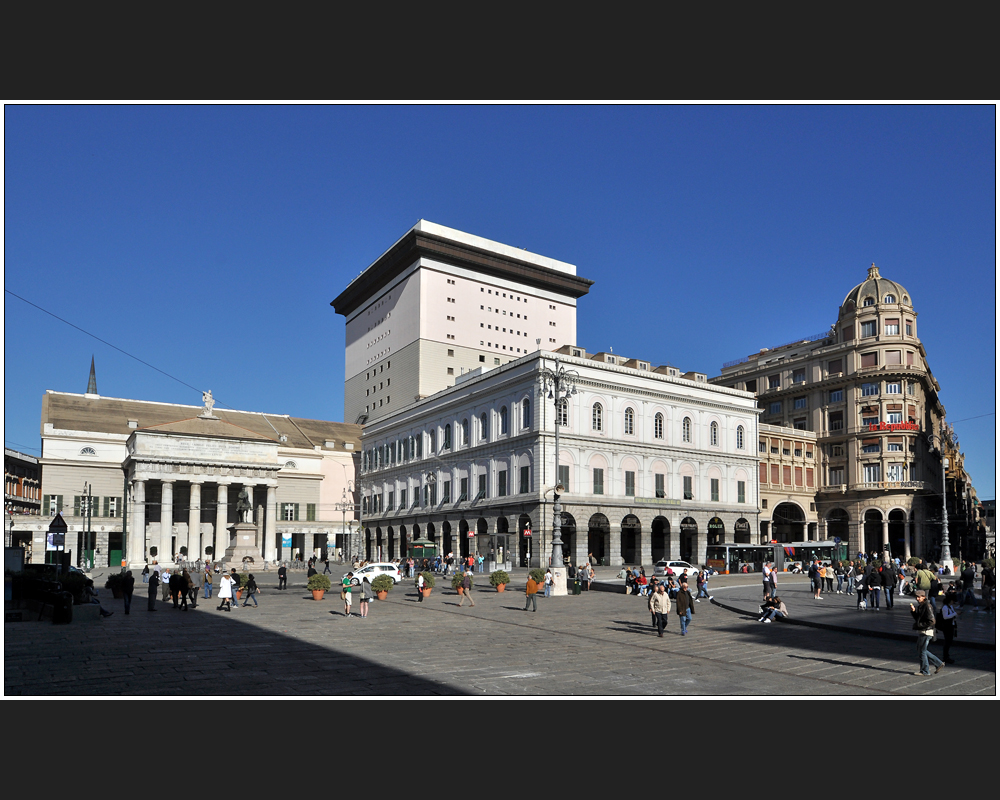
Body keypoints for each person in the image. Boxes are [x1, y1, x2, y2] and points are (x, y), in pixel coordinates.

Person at [909, 589, 944, 676]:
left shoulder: (927, 606)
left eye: (919, 597)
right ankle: (938, 663)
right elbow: (918, 619)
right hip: (923, 630)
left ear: (924, 597)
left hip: (926, 631)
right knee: (921, 650)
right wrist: (913, 612)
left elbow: (932, 621)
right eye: (916, 597)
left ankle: (925, 671)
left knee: (922, 651)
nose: (917, 599)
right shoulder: (921, 606)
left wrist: (921, 625)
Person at [939, 592, 958, 663]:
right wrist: (955, 614)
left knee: (949, 641)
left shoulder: (950, 606)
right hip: (947, 627)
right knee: (947, 642)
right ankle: (945, 657)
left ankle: (947, 656)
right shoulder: (945, 607)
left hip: (951, 625)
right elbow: (945, 617)